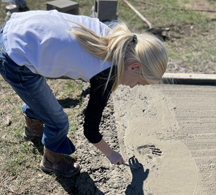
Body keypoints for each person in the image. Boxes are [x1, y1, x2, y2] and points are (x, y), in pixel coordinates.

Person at [0, 10, 168, 178]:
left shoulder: (116, 36)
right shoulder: (104, 74)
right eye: (138, 82)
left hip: (18, 29)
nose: (132, 87)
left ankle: (33, 128)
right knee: (58, 122)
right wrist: (112, 154)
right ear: (134, 66)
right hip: (15, 57)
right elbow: (90, 130)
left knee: (41, 100)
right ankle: (52, 161)